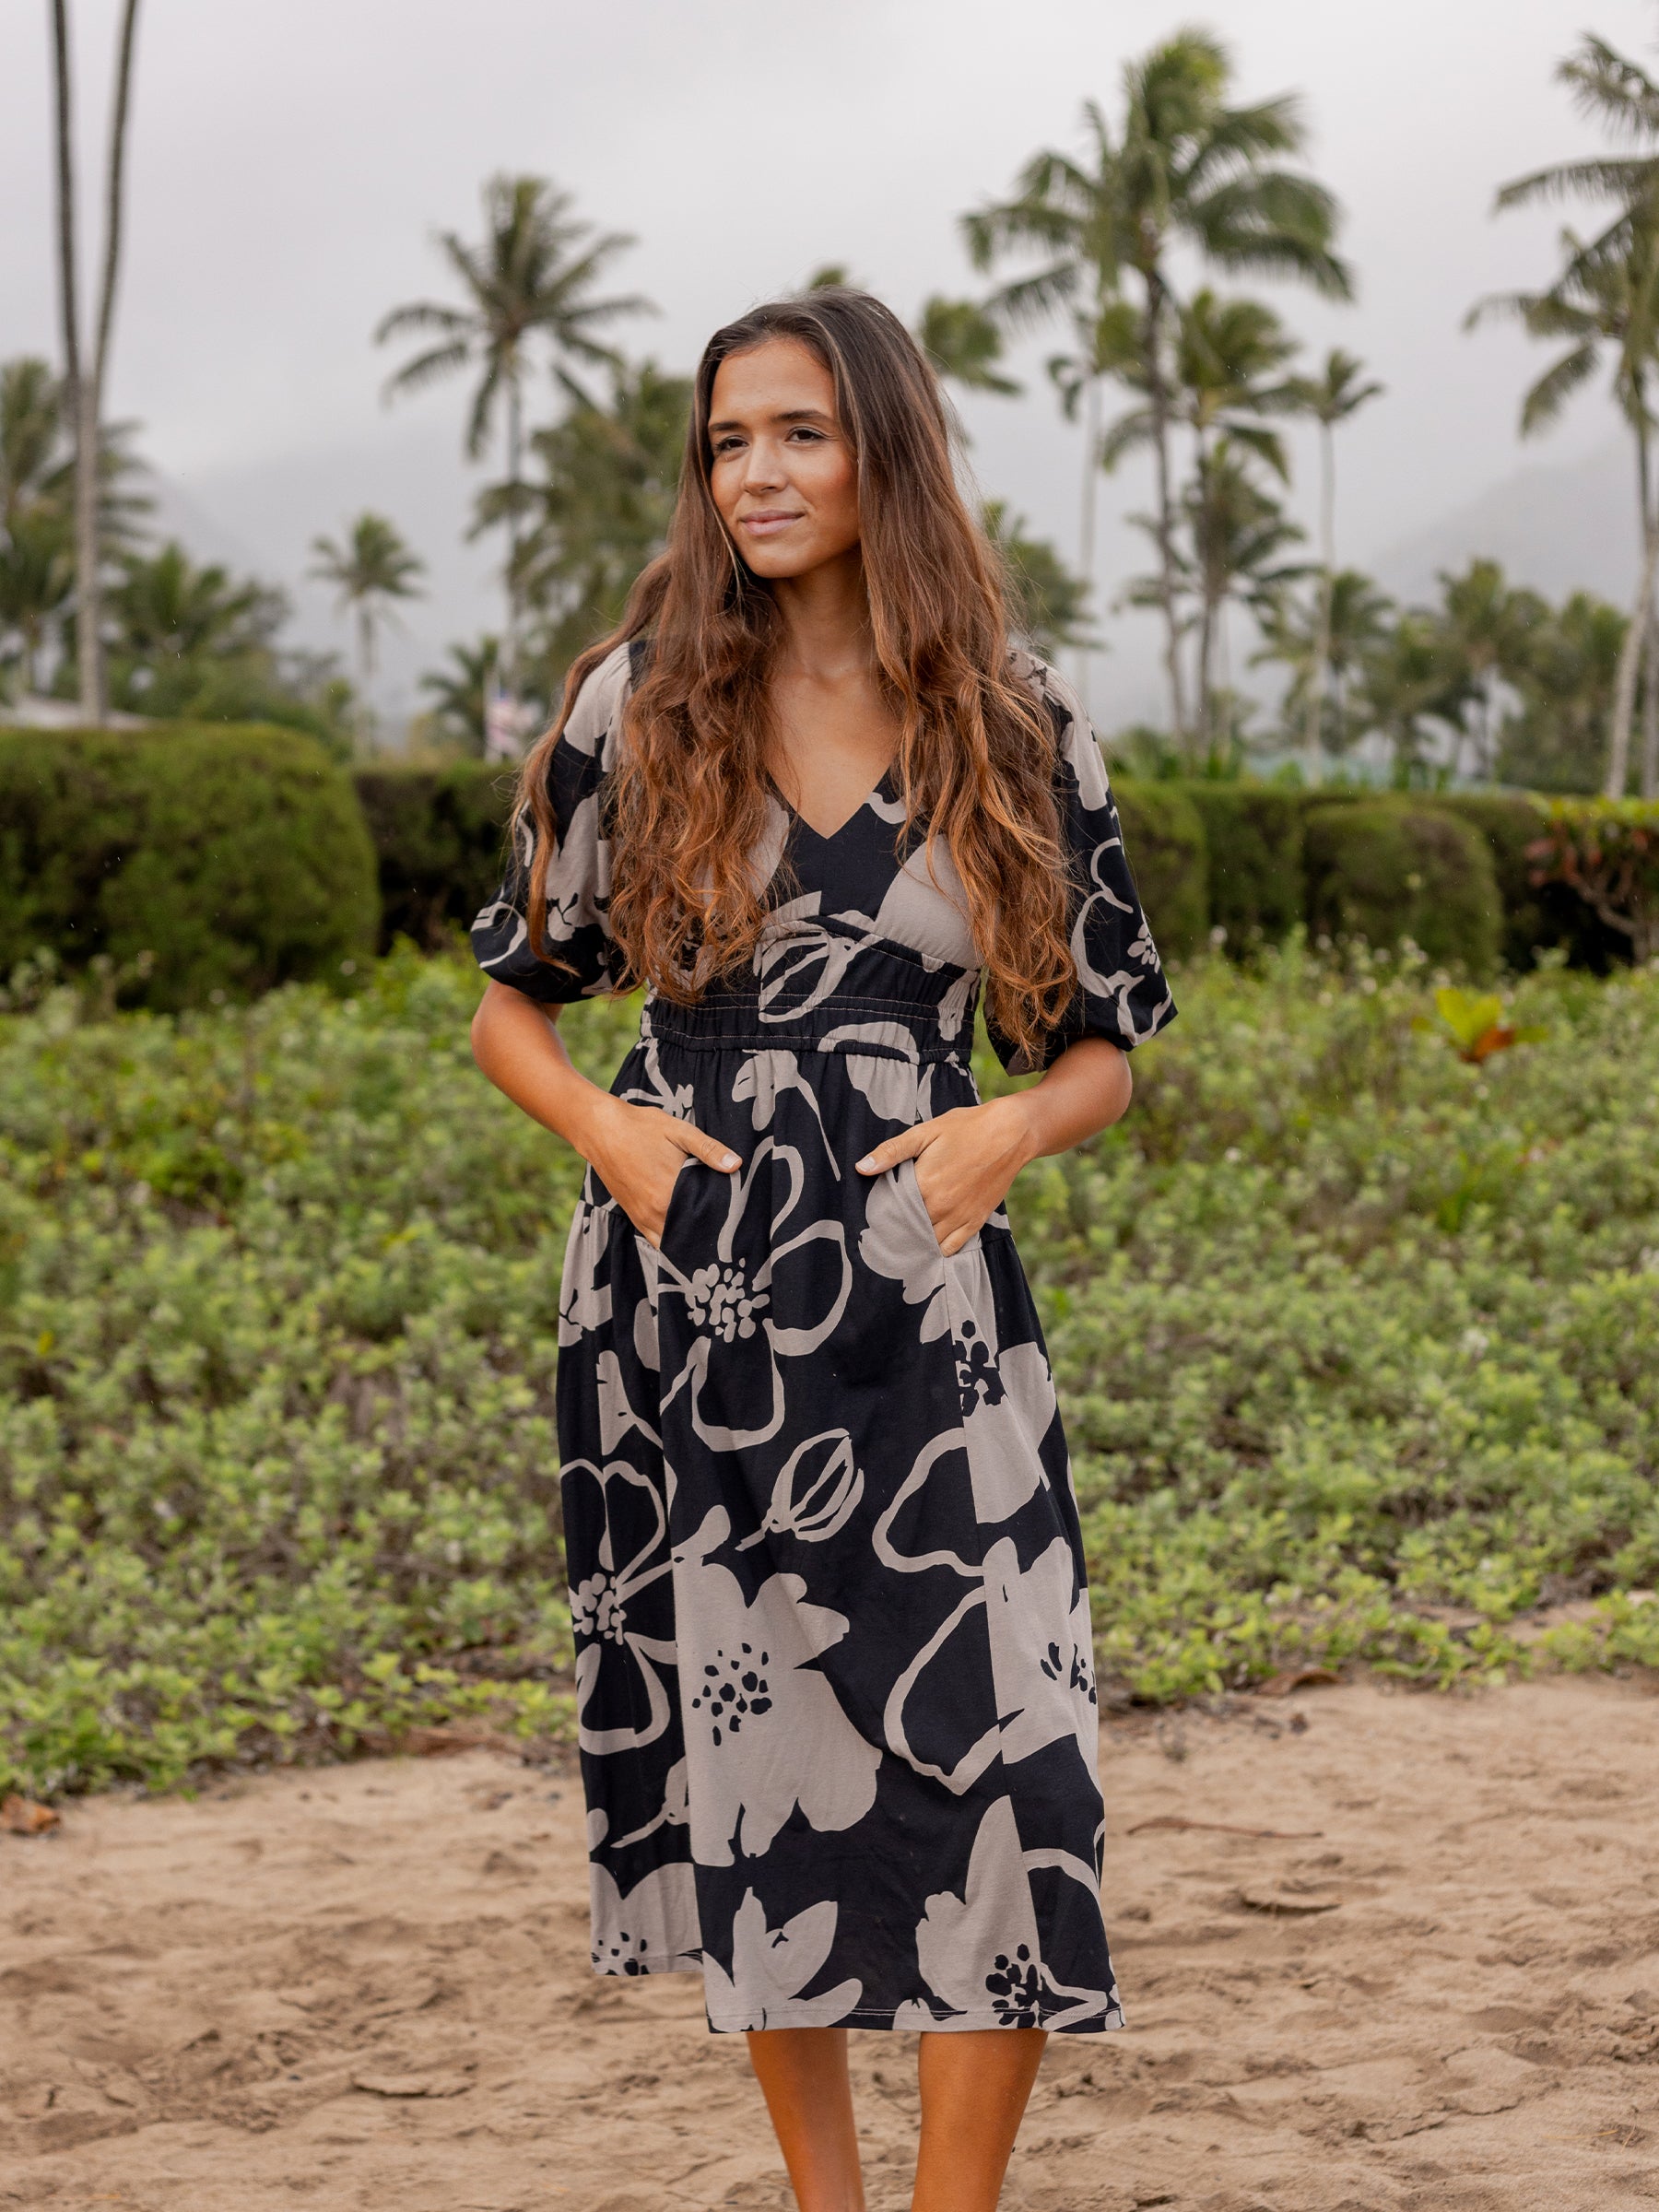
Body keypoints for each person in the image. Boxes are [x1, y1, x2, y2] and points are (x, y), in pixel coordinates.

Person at [469, 288, 1174, 2212]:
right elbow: (510, 1007)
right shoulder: (640, 703)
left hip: (931, 1316)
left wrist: (1014, 1127)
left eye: (800, 433)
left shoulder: (1011, 717)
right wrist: (607, 1129)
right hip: (693, 1301)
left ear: (887, 449)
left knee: (1017, 1769)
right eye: (727, 442)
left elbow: (1105, 1042)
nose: (757, 475)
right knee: (760, 1771)